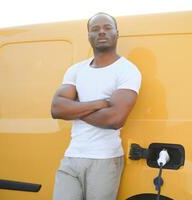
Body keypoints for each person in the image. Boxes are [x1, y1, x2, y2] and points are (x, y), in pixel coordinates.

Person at [51, 12, 142, 200]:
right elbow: (57, 109)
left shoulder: (127, 70)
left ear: (117, 33)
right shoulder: (76, 70)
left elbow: (114, 119)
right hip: (72, 157)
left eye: (107, 28)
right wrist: (98, 104)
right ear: (89, 36)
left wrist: (74, 107)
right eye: (95, 29)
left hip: (105, 159)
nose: (101, 32)